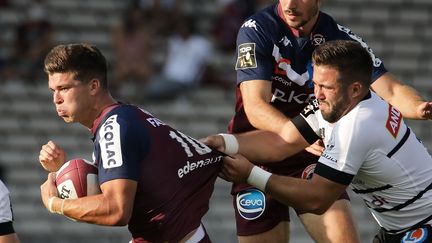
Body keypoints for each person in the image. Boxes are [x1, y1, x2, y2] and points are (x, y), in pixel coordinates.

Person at [227, 0, 432, 242]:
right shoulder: (256, 29)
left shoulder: (342, 44)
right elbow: (255, 107)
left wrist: (420, 108)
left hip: (310, 152)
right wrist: (223, 144)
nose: (290, 4)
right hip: (261, 148)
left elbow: (392, 90)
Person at [38, 43, 225, 242]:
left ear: (93, 86)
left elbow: (116, 210)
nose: (56, 99)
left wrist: (54, 204)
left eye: (64, 88)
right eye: (53, 90)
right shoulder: (127, 116)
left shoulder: (113, 128)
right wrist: (60, 172)